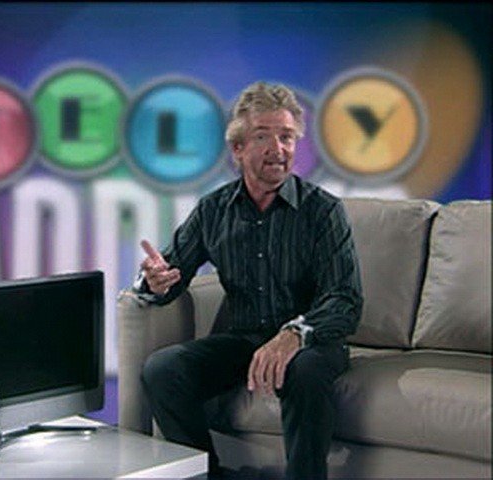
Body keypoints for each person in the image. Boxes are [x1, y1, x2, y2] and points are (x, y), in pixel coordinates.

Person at [133, 82, 363, 480]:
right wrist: (152, 283)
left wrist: (294, 333)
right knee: (162, 369)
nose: (278, 149)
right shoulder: (213, 210)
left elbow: (345, 299)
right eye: (262, 137)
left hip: (312, 343)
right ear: (238, 149)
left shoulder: (323, 211)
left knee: (304, 371)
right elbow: (169, 273)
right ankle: (208, 475)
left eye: (286, 137)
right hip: (244, 340)